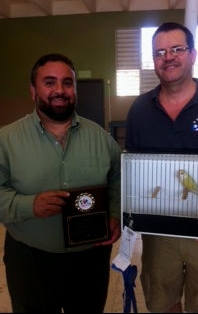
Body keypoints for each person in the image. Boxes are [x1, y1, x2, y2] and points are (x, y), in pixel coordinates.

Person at [125, 22, 198, 313]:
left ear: (193, 54)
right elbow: (134, 172)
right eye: (160, 52)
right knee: (163, 302)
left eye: (177, 48)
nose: (169, 56)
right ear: (154, 60)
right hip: (158, 233)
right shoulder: (139, 109)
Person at [0, 53, 122, 313]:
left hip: (90, 259)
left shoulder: (100, 137)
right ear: (33, 90)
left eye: (68, 83)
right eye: (50, 82)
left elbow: (118, 179)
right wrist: (28, 205)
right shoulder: (6, 140)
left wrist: (114, 214)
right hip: (30, 261)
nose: (60, 90)